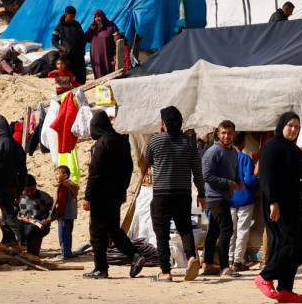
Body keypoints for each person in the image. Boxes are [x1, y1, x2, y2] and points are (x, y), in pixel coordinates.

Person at [254, 112, 302, 303]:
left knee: (299, 247)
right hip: (278, 206)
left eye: (296, 127)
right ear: (282, 126)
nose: (293, 130)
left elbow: (299, 180)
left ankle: (285, 289)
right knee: (290, 243)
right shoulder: (271, 148)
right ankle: (265, 277)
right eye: (290, 125)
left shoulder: (294, 150)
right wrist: (273, 202)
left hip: (295, 204)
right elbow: (266, 178)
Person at [81, 111, 146, 279]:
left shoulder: (101, 145)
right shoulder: (122, 142)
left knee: (97, 233)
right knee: (113, 229)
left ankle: (100, 269)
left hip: (100, 196)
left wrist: (88, 197)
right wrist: (123, 189)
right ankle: (135, 255)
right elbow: (128, 169)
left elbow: (95, 174)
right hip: (116, 195)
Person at [146, 106, 206, 282]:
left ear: (163, 122)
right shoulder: (189, 142)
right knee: (185, 228)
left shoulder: (155, 141)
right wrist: (202, 193)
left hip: (161, 194)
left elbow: (148, 160)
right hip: (183, 193)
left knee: (162, 233)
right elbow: (197, 171)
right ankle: (192, 259)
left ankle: (166, 272)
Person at [201, 120, 242, 277]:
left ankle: (209, 265)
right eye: (223, 133)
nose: (226, 136)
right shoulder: (213, 151)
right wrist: (227, 183)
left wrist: (238, 181)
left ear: (234, 134)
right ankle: (225, 266)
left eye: (229, 133)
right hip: (215, 196)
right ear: (217, 134)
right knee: (227, 229)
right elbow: (206, 175)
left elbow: (234, 171)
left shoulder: (233, 152)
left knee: (214, 231)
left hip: (226, 196)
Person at [0, 116, 27, 244]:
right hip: (14, 186)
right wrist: (19, 191)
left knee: (9, 217)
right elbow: (23, 171)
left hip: (2, 187)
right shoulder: (17, 146)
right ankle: (7, 241)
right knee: (5, 216)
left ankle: (25, 244)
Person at [229, 131, 259, 272]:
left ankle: (229, 259)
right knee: (242, 230)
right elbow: (249, 180)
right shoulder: (245, 159)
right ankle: (237, 261)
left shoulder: (226, 157)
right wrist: (257, 186)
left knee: (231, 231)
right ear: (243, 143)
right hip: (245, 198)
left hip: (229, 198)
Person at [45, 165, 79, 259]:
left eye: (57, 174)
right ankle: (68, 251)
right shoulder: (71, 186)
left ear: (65, 175)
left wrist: (58, 214)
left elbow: (61, 202)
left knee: (63, 235)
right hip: (70, 215)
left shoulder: (64, 187)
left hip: (64, 215)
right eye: (55, 174)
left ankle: (66, 253)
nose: (55, 176)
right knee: (68, 234)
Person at [17, 175, 53, 256]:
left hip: (40, 226)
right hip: (23, 223)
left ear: (36, 186)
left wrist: (48, 220)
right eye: (27, 190)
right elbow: (14, 214)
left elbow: (55, 211)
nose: (30, 192)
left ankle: (28, 252)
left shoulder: (44, 196)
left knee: (31, 229)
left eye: (32, 189)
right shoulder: (19, 197)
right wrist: (22, 219)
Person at [51, 5, 88, 85]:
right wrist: (64, 49)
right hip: (68, 57)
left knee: (81, 79)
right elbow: (54, 41)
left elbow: (82, 37)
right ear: (66, 14)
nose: (73, 18)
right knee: (67, 79)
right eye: (71, 16)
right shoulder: (59, 27)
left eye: (74, 16)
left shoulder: (77, 24)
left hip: (79, 56)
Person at [85, 9, 120, 79]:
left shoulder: (111, 26)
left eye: (98, 16)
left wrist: (114, 54)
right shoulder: (94, 28)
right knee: (98, 74)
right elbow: (87, 39)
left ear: (103, 16)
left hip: (107, 54)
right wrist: (91, 28)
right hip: (95, 56)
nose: (97, 19)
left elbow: (116, 39)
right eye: (95, 17)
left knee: (108, 72)